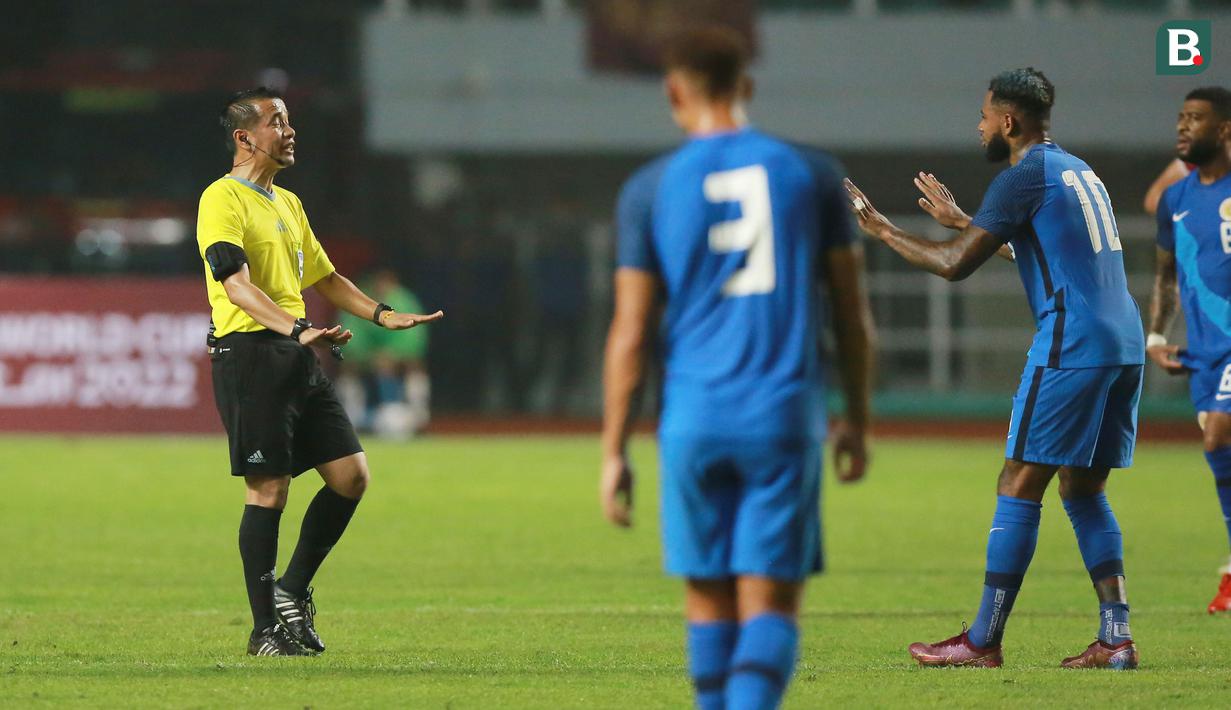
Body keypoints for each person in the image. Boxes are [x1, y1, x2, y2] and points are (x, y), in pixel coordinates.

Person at [600, 28, 873, 709]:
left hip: (691, 420)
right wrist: (858, 421)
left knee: (708, 602)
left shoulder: (649, 188)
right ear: (745, 86)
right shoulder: (810, 173)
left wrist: (612, 449)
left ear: (672, 92)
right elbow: (851, 317)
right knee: (768, 604)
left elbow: (630, 333)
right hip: (781, 417)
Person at [845, 68, 1143, 670]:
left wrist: (883, 231)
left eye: (985, 115)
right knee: (1082, 487)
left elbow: (955, 267)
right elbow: (1048, 250)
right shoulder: (1077, 169)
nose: (979, 124)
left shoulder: (1022, 174)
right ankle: (1116, 638)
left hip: (1072, 341)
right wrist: (967, 223)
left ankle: (981, 641)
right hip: (1124, 342)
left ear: (1009, 121)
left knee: (1017, 480)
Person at [197, 88, 443, 656]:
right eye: (276, 122)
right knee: (269, 488)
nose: (289, 131)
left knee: (352, 476)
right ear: (244, 137)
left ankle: (291, 590)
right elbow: (235, 284)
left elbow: (328, 279)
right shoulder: (221, 199)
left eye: (289, 121)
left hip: (294, 353)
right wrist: (297, 328)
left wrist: (382, 314)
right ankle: (265, 633)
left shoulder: (288, 203)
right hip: (250, 354)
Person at [1146, 86, 1231, 615]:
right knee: (1220, 450)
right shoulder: (1176, 200)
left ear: (1225, 130)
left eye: (1196, 119)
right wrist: (1156, 336)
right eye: (1179, 118)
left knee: (1218, 435)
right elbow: (1165, 275)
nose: (1182, 127)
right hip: (1203, 352)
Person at [337, 269, 432, 437]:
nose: (382, 287)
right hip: (365, 365)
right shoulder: (359, 300)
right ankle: (351, 418)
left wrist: (393, 355)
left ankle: (418, 417)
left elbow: (414, 341)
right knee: (347, 368)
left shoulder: (405, 301)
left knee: (416, 368)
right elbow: (348, 336)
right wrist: (370, 357)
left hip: (398, 367)